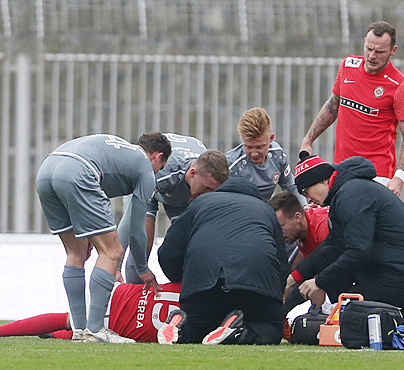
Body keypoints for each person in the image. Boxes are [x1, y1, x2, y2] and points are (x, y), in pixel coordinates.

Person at [289, 153, 404, 345]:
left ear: (324, 180)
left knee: (347, 315)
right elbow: (332, 248)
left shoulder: (351, 194)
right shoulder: (347, 193)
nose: (308, 200)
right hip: (398, 269)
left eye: (306, 191)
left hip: (399, 273)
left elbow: (358, 253)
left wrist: (319, 281)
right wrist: (294, 278)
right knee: (340, 302)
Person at [35, 132, 171, 343]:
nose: (157, 173)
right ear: (157, 156)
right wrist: (142, 269)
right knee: (112, 251)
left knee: (76, 252)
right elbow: (137, 228)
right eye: (160, 168)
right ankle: (96, 330)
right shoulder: (145, 168)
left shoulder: (121, 152)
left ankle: (79, 329)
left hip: (47, 170)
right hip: (78, 171)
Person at [156, 177, 289, 345]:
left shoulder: (201, 203)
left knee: (200, 327)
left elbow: (169, 251)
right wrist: (274, 296)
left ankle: (181, 328)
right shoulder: (266, 210)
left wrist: (180, 279)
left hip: (203, 281)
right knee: (269, 328)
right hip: (254, 281)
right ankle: (239, 331)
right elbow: (281, 263)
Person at [300, 21, 404, 197]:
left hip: (376, 175)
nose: (372, 55)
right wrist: (308, 141)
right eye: (369, 48)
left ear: (393, 51)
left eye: (380, 52)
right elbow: (333, 105)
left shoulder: (401, 86)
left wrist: (398, 178)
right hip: (341, 169)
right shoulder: (348, 66)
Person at [123, 133, 229, 284]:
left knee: (195, 243)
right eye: (206, 188)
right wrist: (117, 267)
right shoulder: (163, 174)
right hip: (153, 189)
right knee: (142, 241)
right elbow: (130, 224)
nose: (209, 194)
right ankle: (136, 294)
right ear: (193, 174)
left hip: (183, 196)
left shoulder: (208, 180)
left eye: (214, 191)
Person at [0, 282, 182, 343]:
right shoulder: (201, 324)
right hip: (117, 319)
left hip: (119, 294)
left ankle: (52, 334)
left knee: (71, 321)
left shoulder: (192, 285)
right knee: (71, 321)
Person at [226, 107, 308, 265]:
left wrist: (305, 209)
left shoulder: (277, 155)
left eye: (260, 147)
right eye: (249, 147)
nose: (254, 153)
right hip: (241, 223)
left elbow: (291, 187)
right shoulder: (231, 166)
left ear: (271, 138)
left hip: (264, 218)